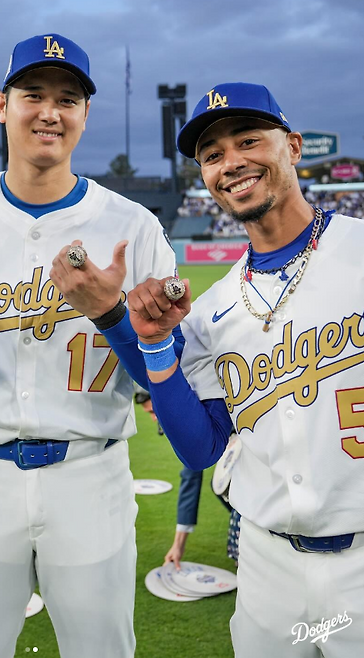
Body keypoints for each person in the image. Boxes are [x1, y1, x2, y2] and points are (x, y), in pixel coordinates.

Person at [0, 33, 176, 658]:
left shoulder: (133, 227)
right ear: (2, 105)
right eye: (33, 95)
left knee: (102, 650)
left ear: (85, 114)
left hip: (91, 475)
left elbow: (158, 377)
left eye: (67, 99)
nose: (50, 112)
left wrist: (110, 313)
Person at [128, 82, 364, 657]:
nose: (230, 162)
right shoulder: (212, 310)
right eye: (212, 155)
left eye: (248, 141)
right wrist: (155, 346)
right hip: (267, 564)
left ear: (294, 147)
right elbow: (201, 449)